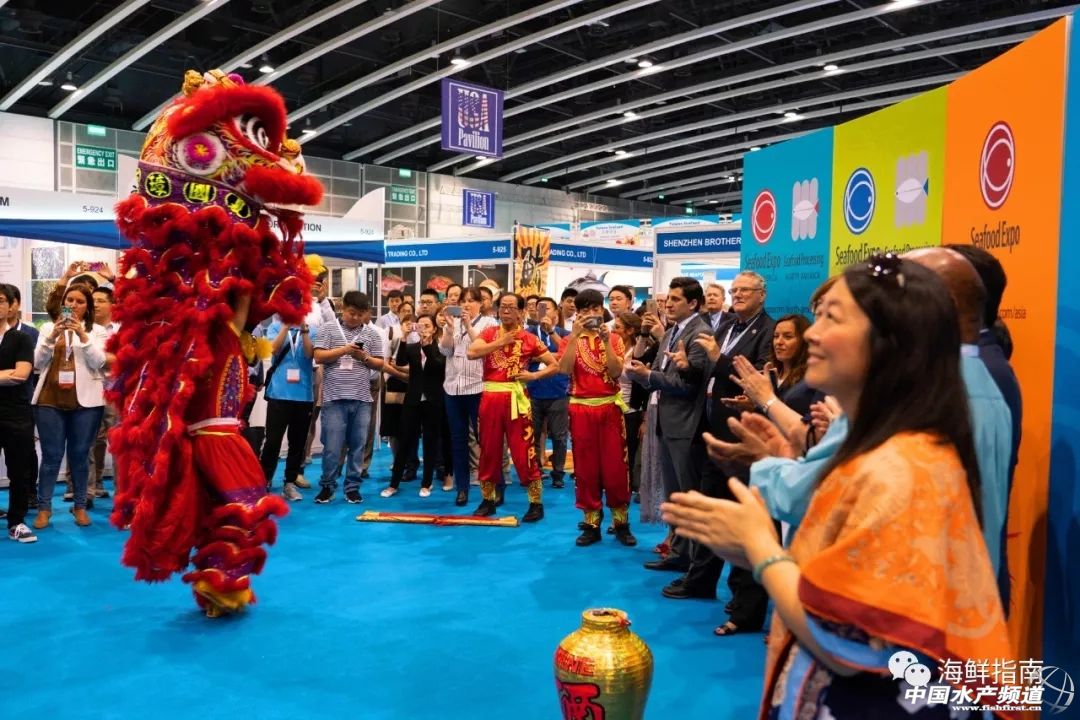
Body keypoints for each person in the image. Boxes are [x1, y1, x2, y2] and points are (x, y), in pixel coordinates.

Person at [662, 255, 1013, 718]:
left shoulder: (904, 469)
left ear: (892, 341)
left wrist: (761, 548)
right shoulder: (889, 443)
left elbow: (848, 642)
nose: (812, 334)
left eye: (832, 317)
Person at [624, 278, 711, 572]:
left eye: (675, 299)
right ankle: (679, 553)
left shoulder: (701, 333)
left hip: (686, 425)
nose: (668, 304)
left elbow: (688, 384)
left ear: (693, 303)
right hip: (667, 421)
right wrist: (645, 374)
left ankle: (695, 563)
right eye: (668, 299)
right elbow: (663, 372)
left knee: (688, 496)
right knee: (675, 495)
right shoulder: (673, 331)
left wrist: (648, 376)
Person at [467, 292, 559, 520]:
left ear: (521, 312)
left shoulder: (529, 339)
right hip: (490, 398)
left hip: (517, 400)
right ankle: (488, 500)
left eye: (511, 307)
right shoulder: (489, 333)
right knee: (488, 450)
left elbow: (554, 365)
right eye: (503, 306)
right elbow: (471, 353)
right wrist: (500, 342)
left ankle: (536, 503)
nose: (506, 311)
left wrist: (534, 376)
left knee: (524, 451)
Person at [559, 289, 636, 547]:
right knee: (586, 468)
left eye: (595, 309)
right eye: (585, 310)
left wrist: (605, 342)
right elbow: (564, 370)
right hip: (581, 409)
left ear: (602, 311)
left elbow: (615, 372)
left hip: (609, 409)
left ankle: (621, 522)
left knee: (616, 468)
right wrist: (573, 337)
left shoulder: (614, 338)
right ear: (578, 314)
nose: (591, 314)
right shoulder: (569, 339)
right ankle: (591, 523)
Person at [312, 291, 385, 504]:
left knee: (358, 446)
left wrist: (364, 357)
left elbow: (380, 363)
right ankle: (327, 485)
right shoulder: (328, 329)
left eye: (360, 314)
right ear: (342, 308)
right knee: (332, 447)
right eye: (351, 313)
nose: (355, 318)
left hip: (362, 399)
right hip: (334, 398)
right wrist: (344, 350)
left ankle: (352, 487)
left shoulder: (371, 334)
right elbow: (318, 356)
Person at [439, 287, 498, 506]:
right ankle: (462, 488)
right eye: (463, 300)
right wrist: (448, 329)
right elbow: (445, 351)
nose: (466, 304)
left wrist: (468, 325)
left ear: (481, 304)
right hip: (453, 388)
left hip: (478, 388)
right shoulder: (453, 323)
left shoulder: (490, 324)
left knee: (486, 439)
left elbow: (483, 349)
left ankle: (491, 486)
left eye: (472, 300)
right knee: (458, 440)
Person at [381, 314, 447, 497]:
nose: (424, 329)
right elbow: (400, 361)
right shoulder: (412, 347)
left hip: (433, 400)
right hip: (413, 398)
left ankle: (426, 483)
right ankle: (394, 484)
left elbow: (438, 365)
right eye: (421, 325)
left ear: (434, 329)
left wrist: (426, 345)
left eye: (428, 326)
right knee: (405, 439)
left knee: (430, 441)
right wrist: (403, 337)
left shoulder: (440, 348)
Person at [258, 316, 315, 502]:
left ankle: (289, 483)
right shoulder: (275, 327)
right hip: (278, 394)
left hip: (303, 395)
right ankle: (265, 479)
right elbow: (272, 349)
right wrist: (286, 327)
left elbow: (309, 354)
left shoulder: (311, 329)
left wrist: (304, 331)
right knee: (272, 441)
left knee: (297, 443)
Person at [0, 285, 37, 542]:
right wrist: (7, 375)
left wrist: (13, 375)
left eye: (1, 300)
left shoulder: (22, 338)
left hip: (17, 413)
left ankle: (17, 521)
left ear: (11, 305)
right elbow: (12, 374)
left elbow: (21, 375)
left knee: (19, 470)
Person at [527, 297, 570, 489]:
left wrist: (551, 332)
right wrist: (552, 357)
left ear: (556, 312)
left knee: (559, 436)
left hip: (559, 391)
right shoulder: (528, 333)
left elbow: (567, 355)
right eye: (539, 308)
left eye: (547, 308)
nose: (542, 311)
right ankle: (535, 471)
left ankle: (558, 473)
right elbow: (525, 355)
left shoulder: (564, 333)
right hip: (533, 391)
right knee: (532, 435)